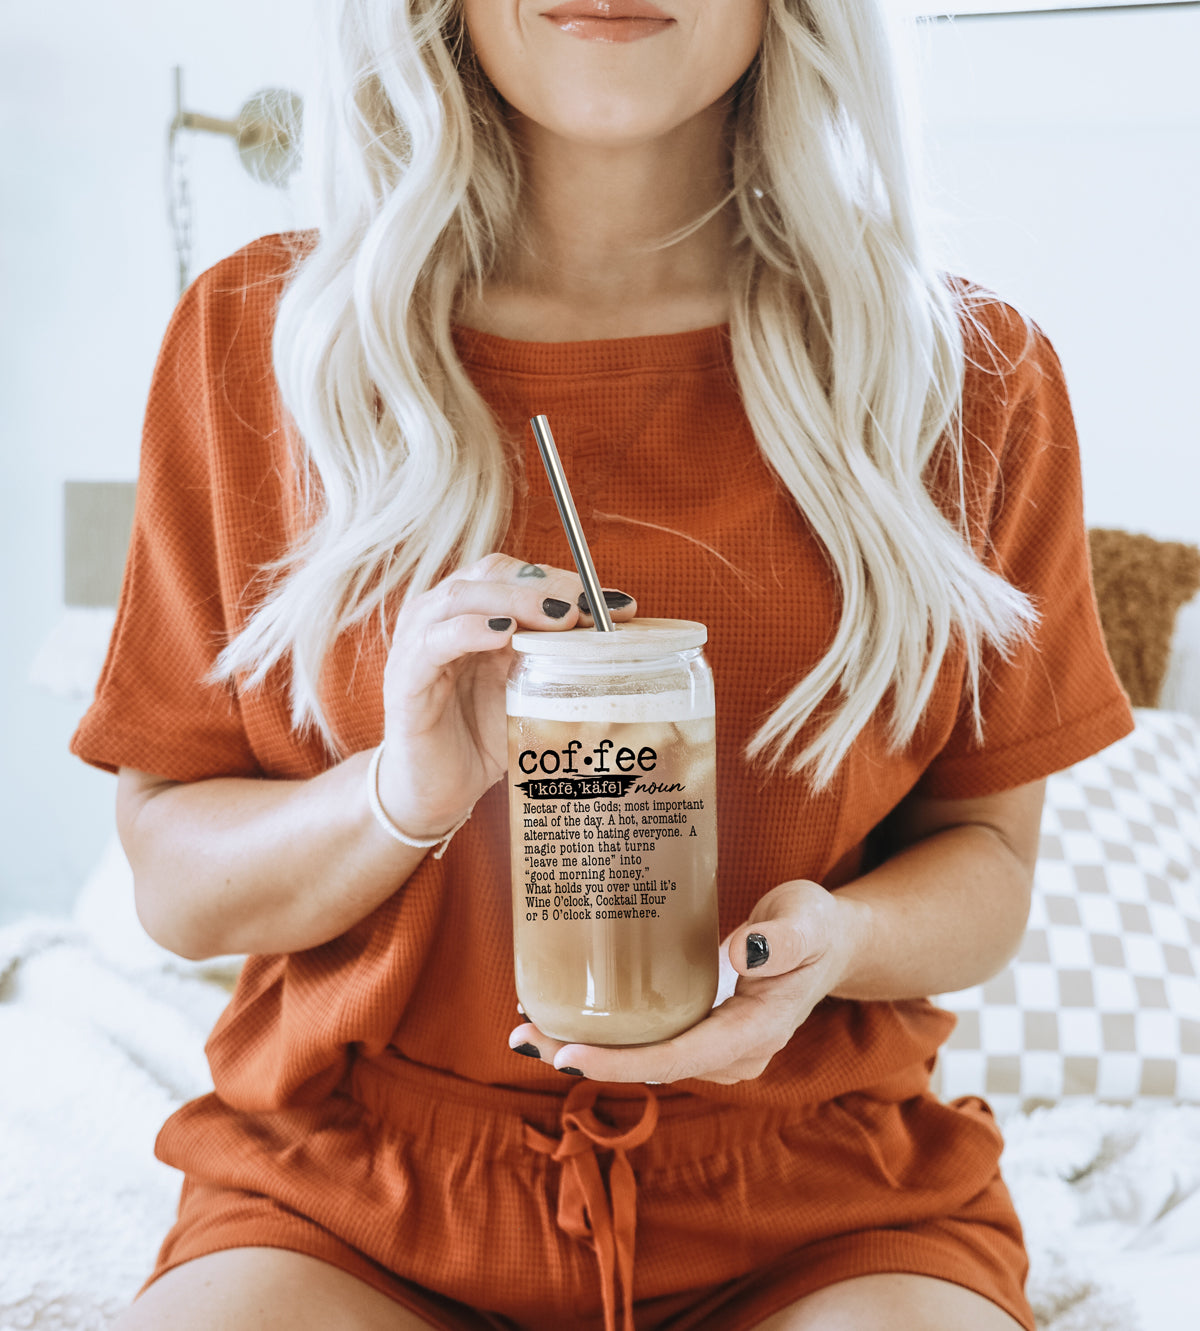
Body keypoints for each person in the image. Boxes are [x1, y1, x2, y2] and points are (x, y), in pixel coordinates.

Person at [72, 2, 1135, 1328]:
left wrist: (837, 940)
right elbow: (173, 882)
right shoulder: (265, 344)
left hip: (816, 1201)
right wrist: (401, 795)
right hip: (348, 1195)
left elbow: (990, 864)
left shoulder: (964, 380)